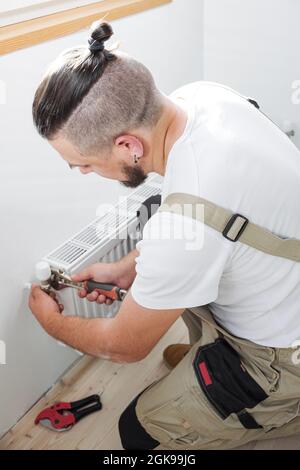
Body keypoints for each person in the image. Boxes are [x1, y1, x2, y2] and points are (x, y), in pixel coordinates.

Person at [29, 20, 300, 450]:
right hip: (283, 283)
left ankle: (282, 406)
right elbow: (213, 224)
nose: (82, 172)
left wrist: (54, 325)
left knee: (137, 436)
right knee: (168, 249)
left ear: (127, 146)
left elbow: (124, 347)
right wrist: (128, 267)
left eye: (82, 162)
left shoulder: (181, 228)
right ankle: (208, 356)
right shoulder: (203, 97)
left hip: (285, 357)